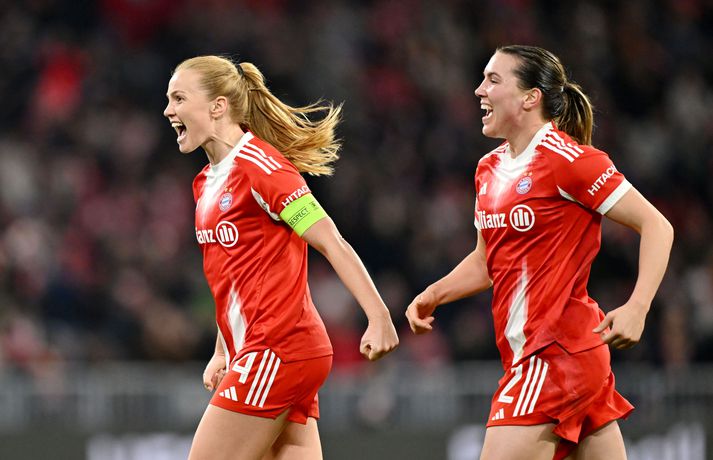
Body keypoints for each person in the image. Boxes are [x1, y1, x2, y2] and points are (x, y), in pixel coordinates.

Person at [405, 45, 674, 460]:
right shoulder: (488, 169)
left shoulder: (570, 160)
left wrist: (638, 307)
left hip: (552, 356)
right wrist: (434, 294)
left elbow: (657, 225)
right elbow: (486, 261)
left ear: (530, 98)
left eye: (493, 80)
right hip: (556, 358)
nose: (479, 90)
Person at [163, 55, 399, 460]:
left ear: (218, 106)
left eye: (179, 98)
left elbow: (331, 241)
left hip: (278, 348)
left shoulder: (263, 168)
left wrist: (378, 316)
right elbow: (232, 277)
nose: (168, 110)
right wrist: (223, 349)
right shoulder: (204, 183)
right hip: (269, 351)